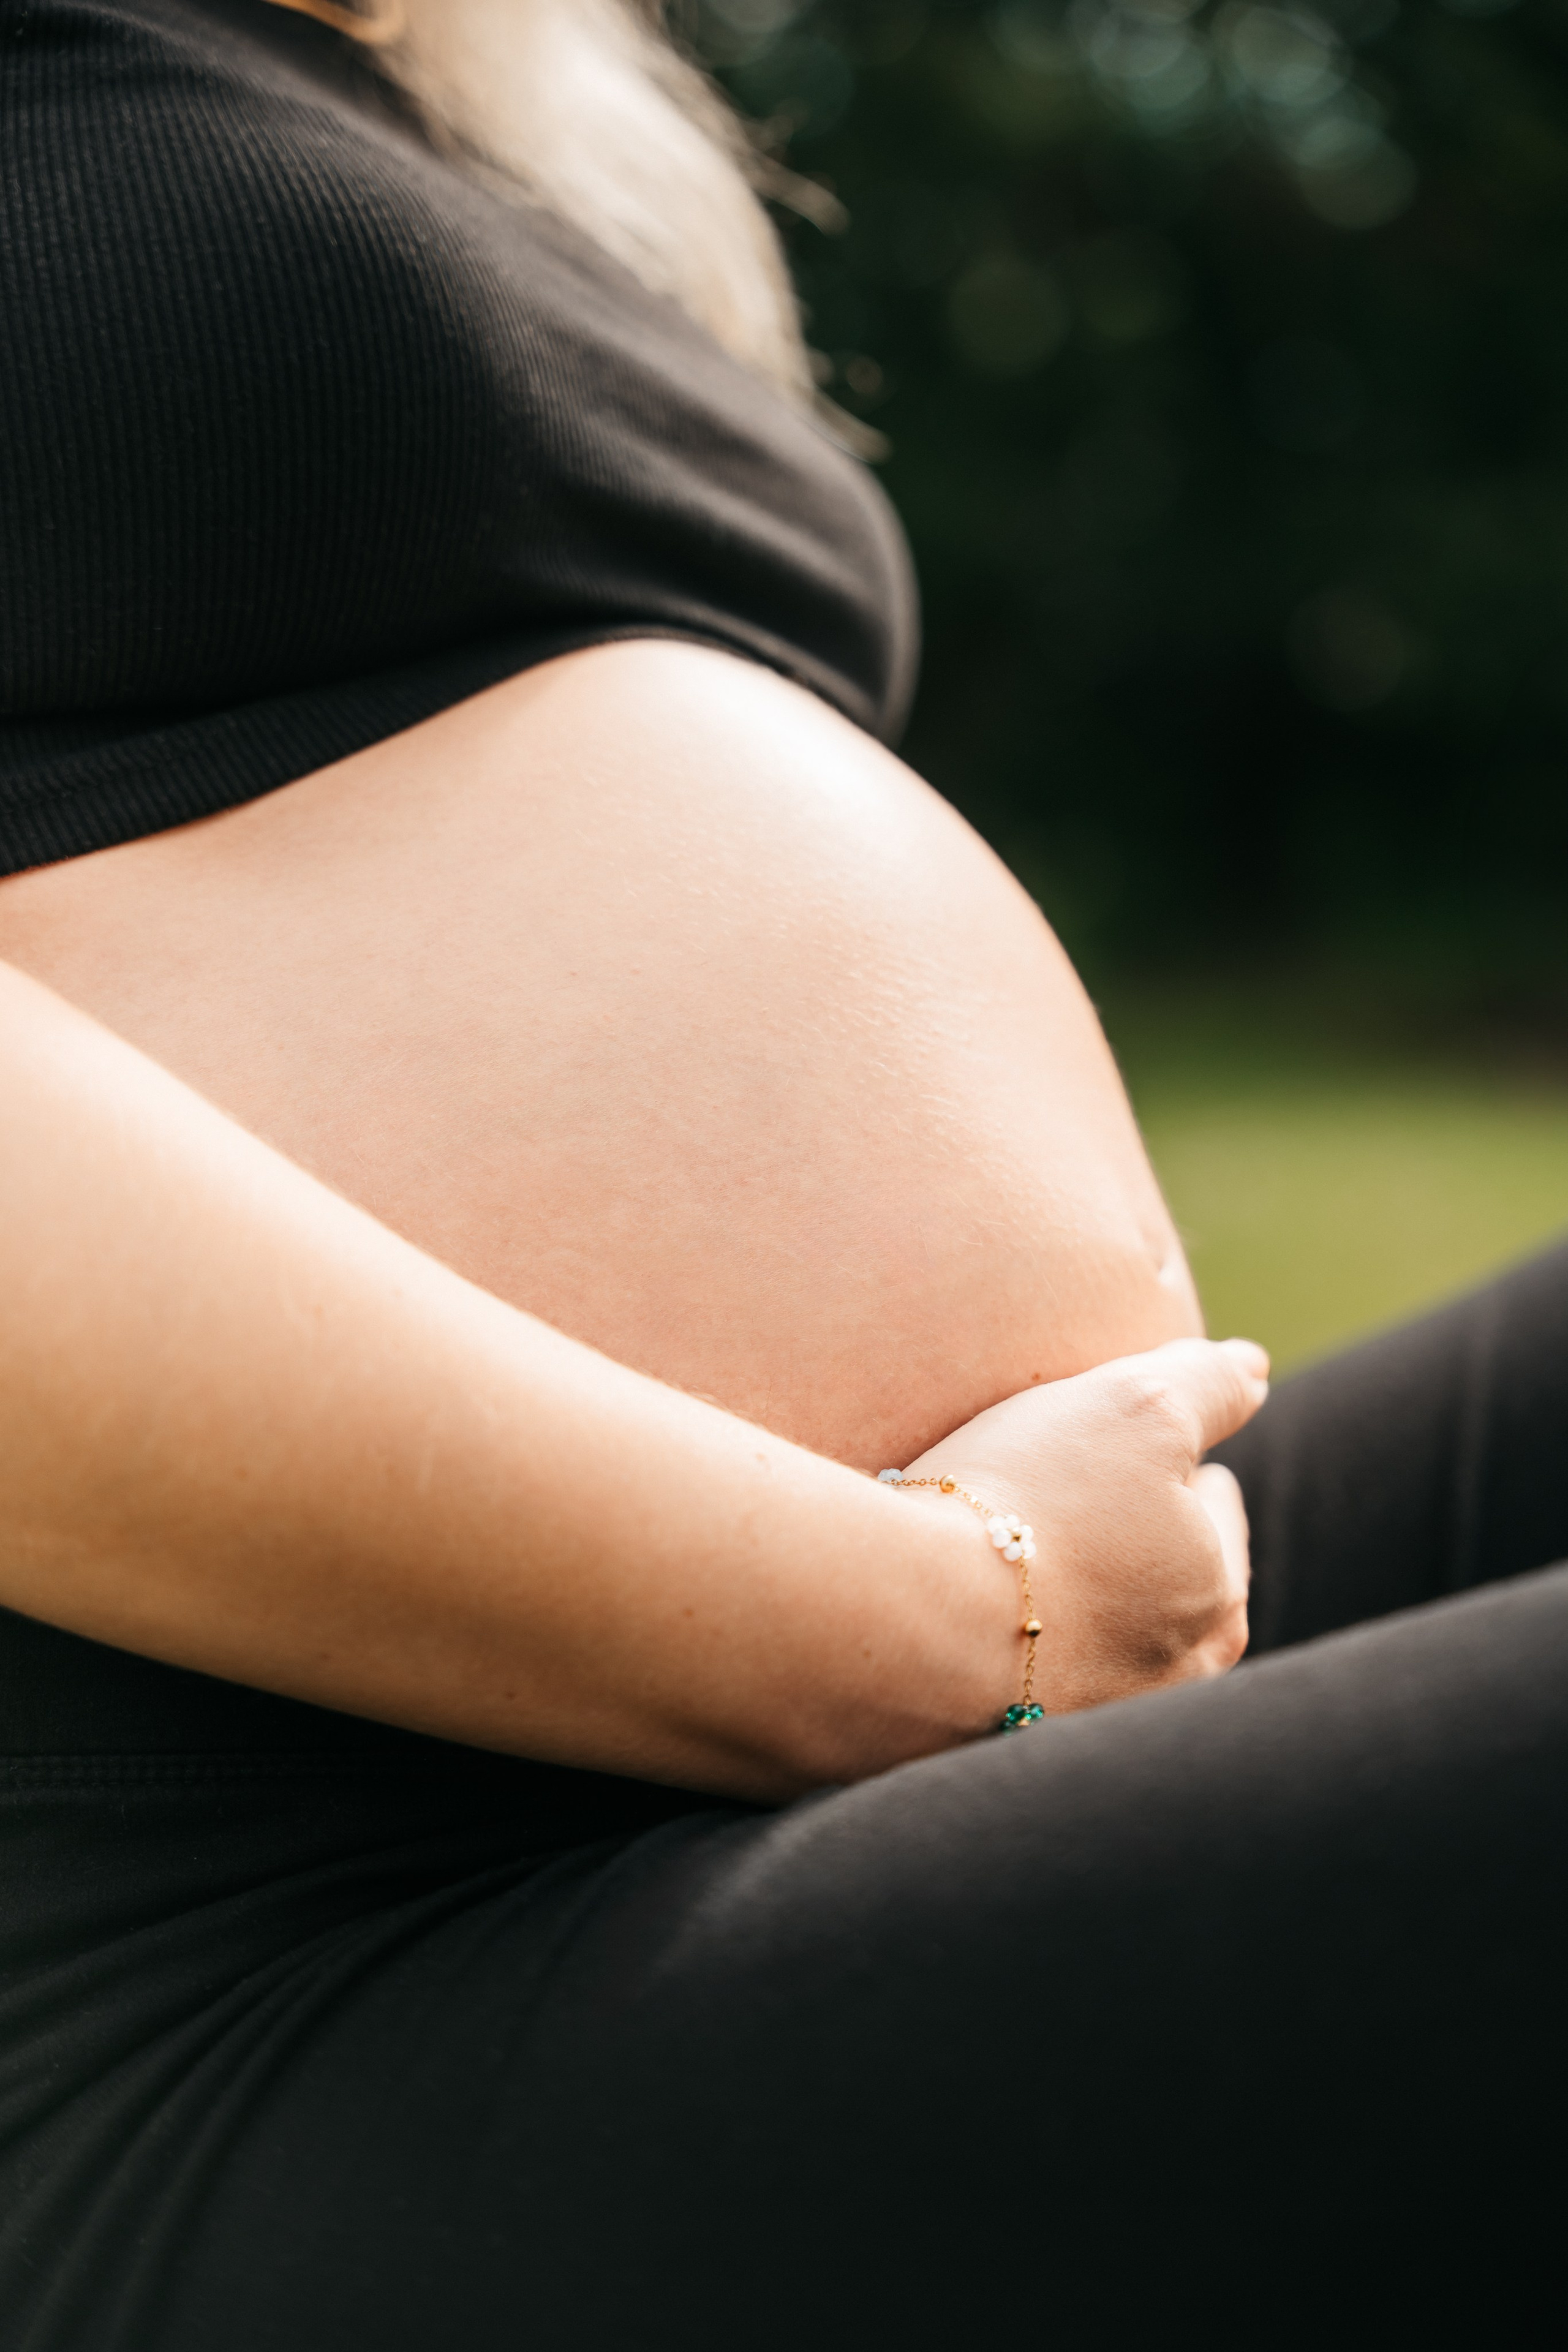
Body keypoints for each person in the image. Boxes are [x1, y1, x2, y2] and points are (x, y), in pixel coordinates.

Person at [0, 4, 1561, 2345]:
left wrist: (1011, 1601)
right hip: (303, 1951)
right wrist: (952, 1622)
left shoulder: (418, 91)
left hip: (960, 1670)